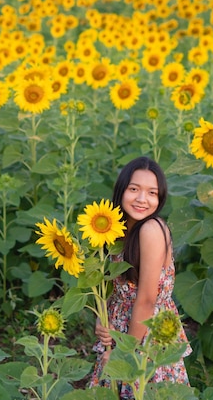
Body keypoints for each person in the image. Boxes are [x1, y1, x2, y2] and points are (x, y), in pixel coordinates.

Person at [88, 156, 192, 398]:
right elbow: (108, 284)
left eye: (152, 192)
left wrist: (125, 353)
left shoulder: (151, 230)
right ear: (121, 189)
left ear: (160, 198)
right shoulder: (116, 229)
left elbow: (146, 299)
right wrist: (101, 319)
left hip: (146, 335)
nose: (142, 199)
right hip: (123, 328)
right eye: (134, 189)